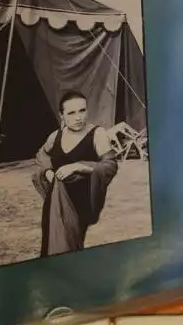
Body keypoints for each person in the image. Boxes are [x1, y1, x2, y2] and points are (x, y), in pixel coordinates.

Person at [31, 90, 119, 257]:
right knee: (51, 243)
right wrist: (47, 171)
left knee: (68, 247)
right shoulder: (55, 136)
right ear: (61, 115)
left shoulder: (97, 134)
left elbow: (110, 165)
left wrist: (79, 166)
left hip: (80, 203)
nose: (78, 117)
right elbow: (42, 155)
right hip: (54, 203)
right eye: (71, 113)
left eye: (82, 111)